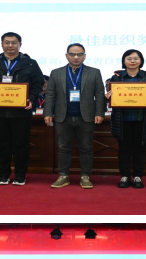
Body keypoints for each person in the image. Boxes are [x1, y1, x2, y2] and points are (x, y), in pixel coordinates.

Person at [0, 32, 44, 185]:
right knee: (2, 145)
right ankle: (3, 175)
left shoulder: (30, 63)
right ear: (2, 44)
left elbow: (38, 84)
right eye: (7, 42)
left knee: (21, 145)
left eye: (14, 42)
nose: (10, 45)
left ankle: (20, 176)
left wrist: (31, 98)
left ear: (20, 44)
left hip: (21, 112)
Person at [44, 43, 105, 189]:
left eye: (80, 54)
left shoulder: (94, 72)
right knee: (63, 147)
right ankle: (63, 176)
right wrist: (48, 113)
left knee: (86, 147)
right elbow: (50, 94)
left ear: (84, 56)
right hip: (62, 116)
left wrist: (99, 112)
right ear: (67, 56)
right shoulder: (56, 72)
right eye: (72, 54)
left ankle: (85, 176)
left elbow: (99, 94)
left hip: (87, 116)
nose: (76, 57)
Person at [105, 50, 146, 189]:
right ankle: (124, 176)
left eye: (136, 58)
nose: (132, 61)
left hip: (142, 119)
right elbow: (111, 97)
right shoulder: (117, 77)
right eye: (129, 58)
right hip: (122, 120)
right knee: (123, 149)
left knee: (139, 149)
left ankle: (137, 176)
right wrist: (108, 97)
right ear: (124, 61)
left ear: (141, 60)